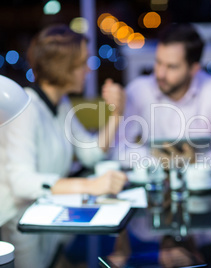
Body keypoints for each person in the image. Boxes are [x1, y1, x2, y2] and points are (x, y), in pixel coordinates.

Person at [0, 24, 127, 267]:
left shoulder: (61, 104)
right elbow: (22, 182)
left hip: (48, 224)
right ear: (62, 67)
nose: (88, 69)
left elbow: (90, 154)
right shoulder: (26, 108)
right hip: (20, 230)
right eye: (82, 63)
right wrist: (90, 185)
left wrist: (117, 114)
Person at [112, 23, 211, 170]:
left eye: (171, 67)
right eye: (158, 62)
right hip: (153, 181)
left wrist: (198, 161)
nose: (160, 73)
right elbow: (118, 149)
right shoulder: (139, 90)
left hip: (202, 183)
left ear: (194, 69)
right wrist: (156, 160)